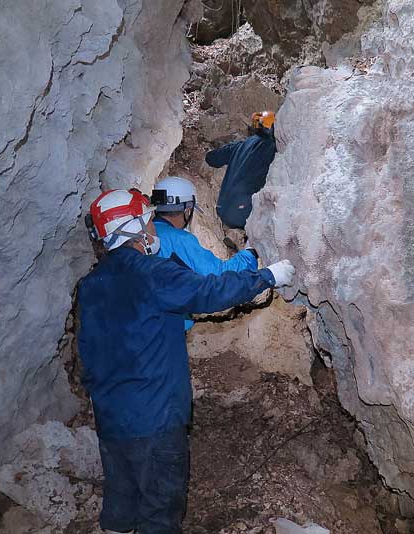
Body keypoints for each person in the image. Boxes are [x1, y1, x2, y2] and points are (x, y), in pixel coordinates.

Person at [77, 188, 295, 534]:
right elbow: (210, 290)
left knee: (122, 503)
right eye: (148, 221)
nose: (153, 230)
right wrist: (268, 276)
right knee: (159, 514)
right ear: (132, 228)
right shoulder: (153, 273)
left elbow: (86, 352)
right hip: (155, 418)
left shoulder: (90, 285)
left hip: (112, 421)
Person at [151, 175, 259, 330]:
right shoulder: (180, 240)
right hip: (170, 326)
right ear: (187, 210)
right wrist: (249, 254)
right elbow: (217, 274)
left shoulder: (144, 234)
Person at [205, 110, 277, 249]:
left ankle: (234, 232)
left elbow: (211, 158)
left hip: (222, 208)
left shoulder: (240, 145)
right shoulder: (273, 149)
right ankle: (242, 237)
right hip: (242, 213)